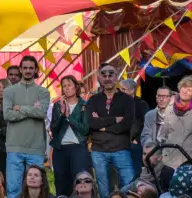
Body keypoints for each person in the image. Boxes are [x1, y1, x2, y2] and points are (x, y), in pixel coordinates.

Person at [84, 63, 135, 198]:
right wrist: (114, 119)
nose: (107, 78)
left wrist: (102, 125)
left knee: (129, 185)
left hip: (121, 149)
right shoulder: (93, 100)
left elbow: (127, 123)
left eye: (111, 74)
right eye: (104, 75)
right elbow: (90, 123)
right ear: (99, 78)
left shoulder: (127, 99)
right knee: (103, 189)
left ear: (116, 77)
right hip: (99, 150)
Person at [3, 56, 50, 198]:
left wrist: (20, 108)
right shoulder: (9, 91)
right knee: (13, 190)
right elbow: (8, 115)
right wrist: (31, 110)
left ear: (36, 69)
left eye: (31, 68)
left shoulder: (43, 92)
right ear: (21, 69)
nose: (28, 71)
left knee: (37, 190)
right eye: (25, 68)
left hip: (36, 147)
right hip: (14, 147)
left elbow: (41, 113)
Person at [49, 76, 90, 197]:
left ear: (76, 87)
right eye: (64, 86)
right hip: (60, 149)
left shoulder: (84, 105)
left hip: (78, 147)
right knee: (61, 183)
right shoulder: (57, 105)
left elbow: (85, 130)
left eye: (69, 85)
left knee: (80, 182)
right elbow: (54, 129)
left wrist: (69, 116)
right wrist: (62, 114)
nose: (66, 88)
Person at [159, 75, 192, 175]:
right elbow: (164, 134)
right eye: (184, 87)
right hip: (170, 162)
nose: (185, 91)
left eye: (189, 90)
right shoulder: (169, 108)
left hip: (191, 162)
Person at [120, 80, 149, 179]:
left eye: (123, 89)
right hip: (120, 144)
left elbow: (145, 123)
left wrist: (136, 138)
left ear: (132, 90)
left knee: (135, 172)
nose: (120, 91)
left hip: (135, 143)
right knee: (122, 173)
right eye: (120, 89)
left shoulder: (141, 104)